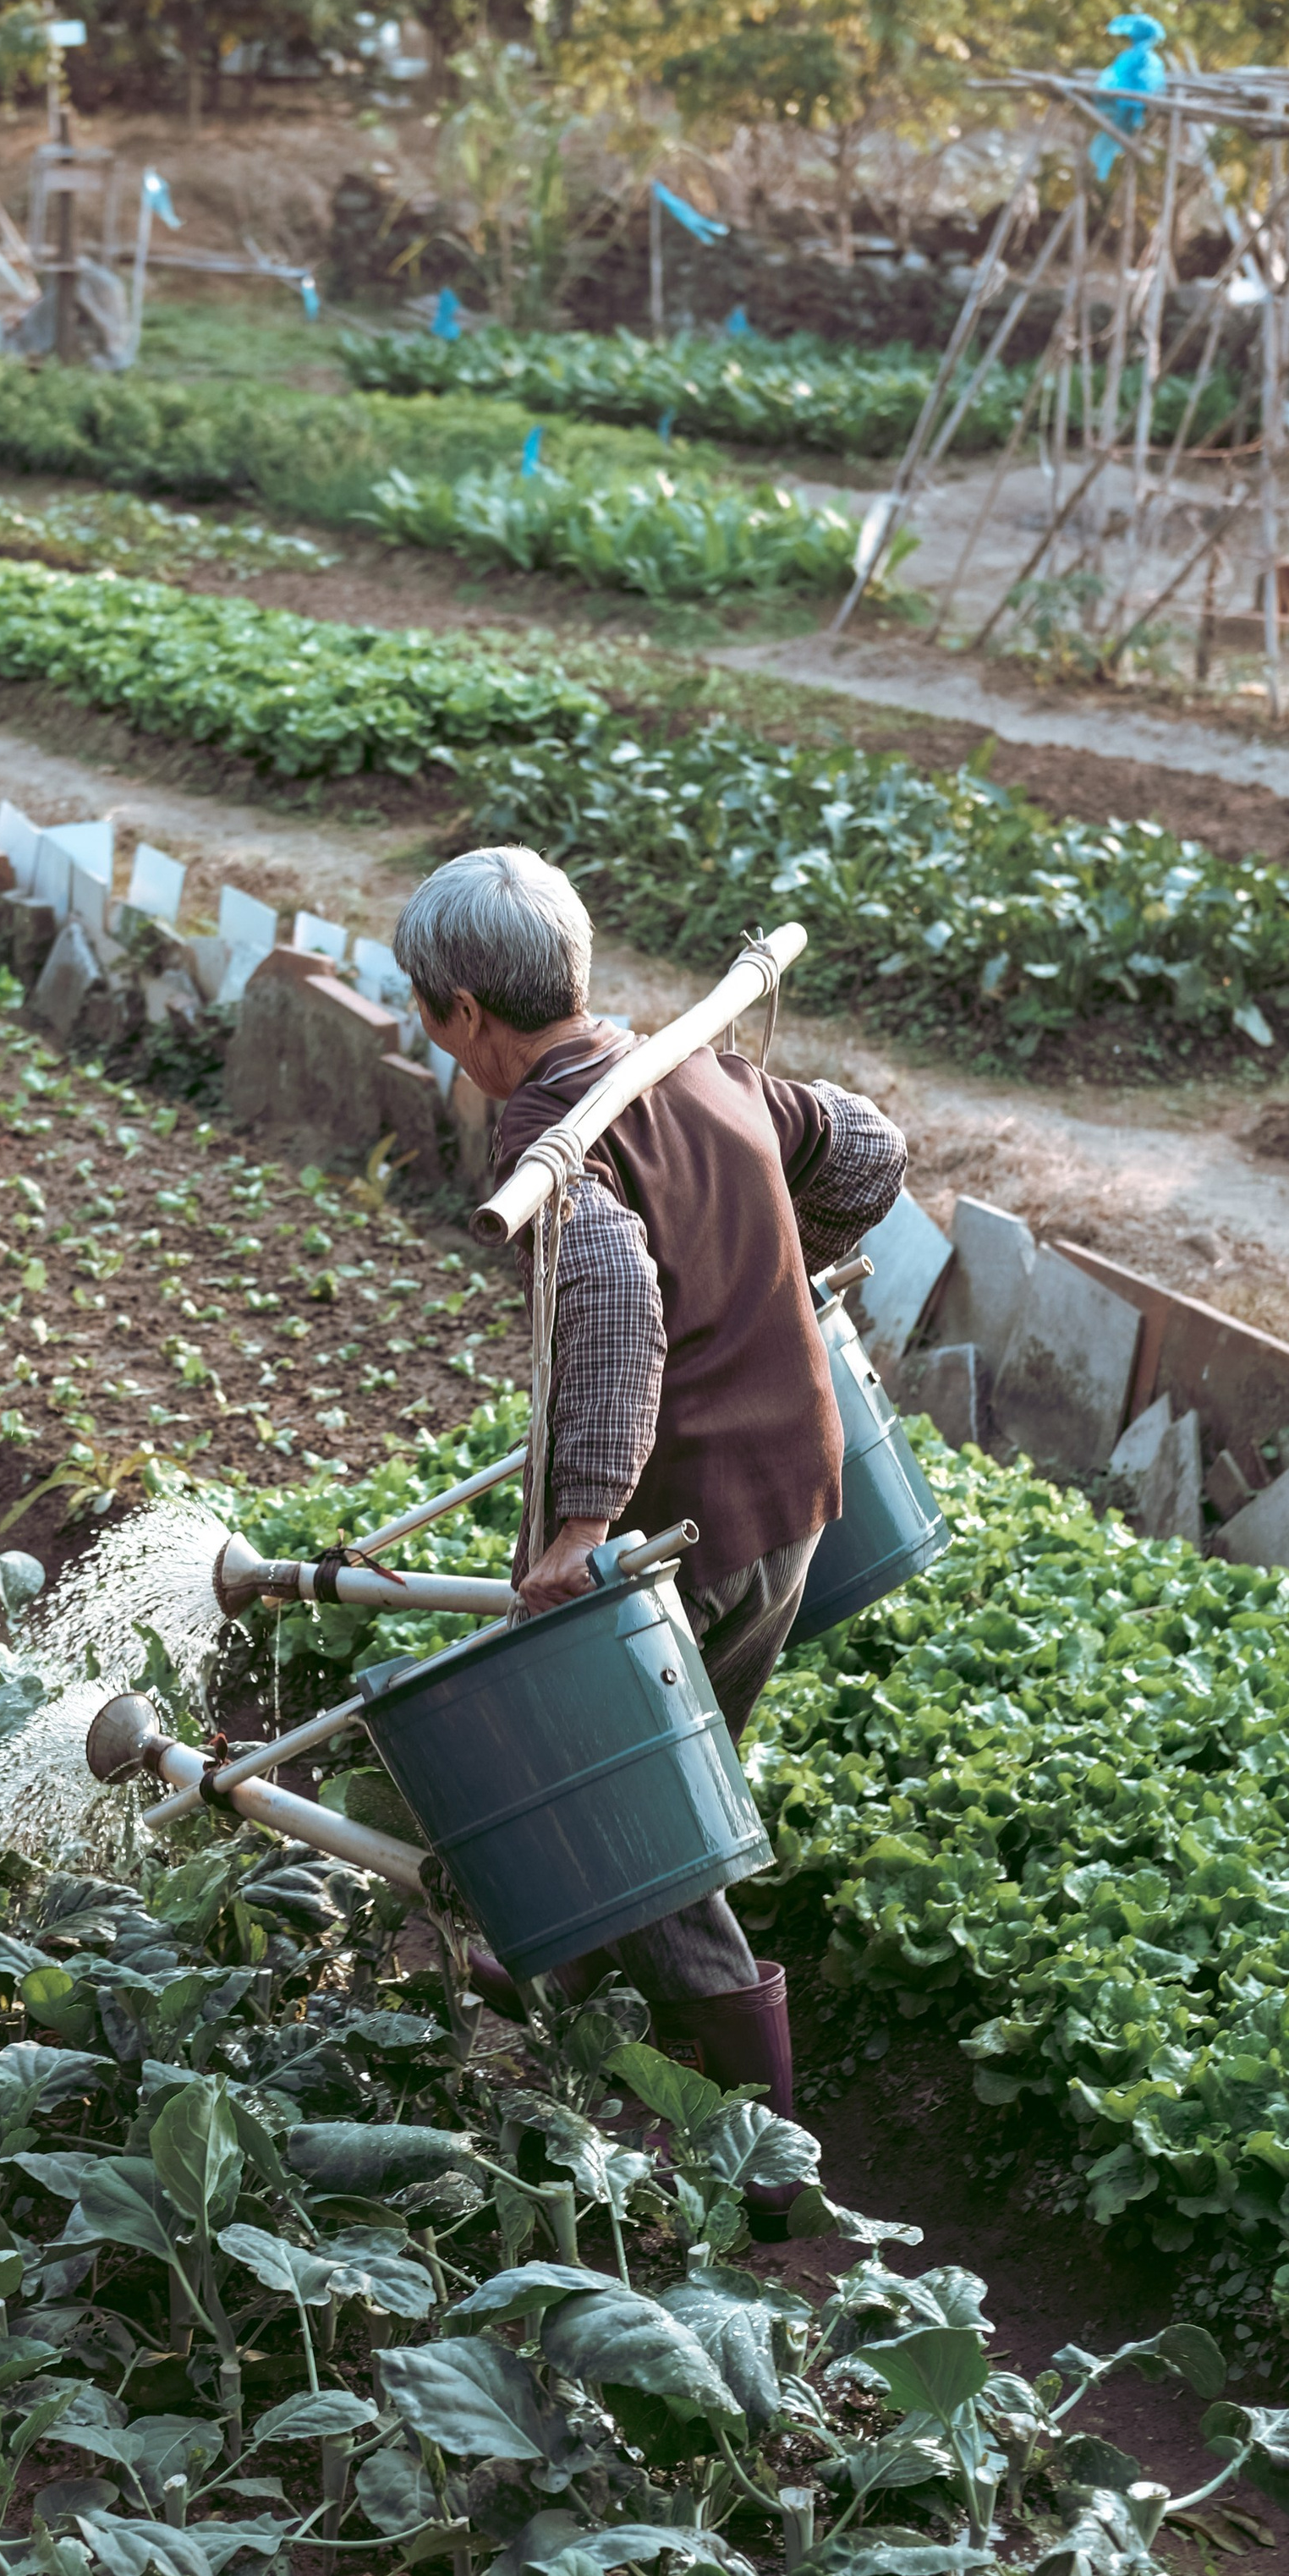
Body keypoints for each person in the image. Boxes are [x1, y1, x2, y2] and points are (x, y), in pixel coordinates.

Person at [392, 843, 907, 2118]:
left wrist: (577, 1531)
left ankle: (763, 2154)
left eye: (424, 1006)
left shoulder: (553, 1135)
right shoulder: (700, 1063)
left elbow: (614, 1307)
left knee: (645, 1833)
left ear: (465, 1009)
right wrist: (798, 1260)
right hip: (798, 1490)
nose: (427, 1029)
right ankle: (553, 1984)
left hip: (691, 1530)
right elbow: (866, 1144)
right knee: (650, 1768)